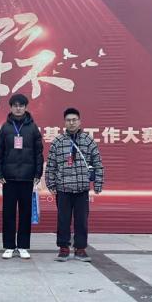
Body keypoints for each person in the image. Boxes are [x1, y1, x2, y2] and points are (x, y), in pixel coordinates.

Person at [45, 108, 104, 262]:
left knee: (81, 220)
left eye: (74, 120)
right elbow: (51, 165)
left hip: (82, 188)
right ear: (64, 122)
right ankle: (63, 249)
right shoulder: (58, 141)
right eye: (68, 120)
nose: (71, 123)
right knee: (63, 220)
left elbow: (97, 163)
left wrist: (98, 183)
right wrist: (50, 184)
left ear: (79, 122)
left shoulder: (88, 140)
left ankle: (80, 249)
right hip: (63, 188)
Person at [0, 94, 44, 259]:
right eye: (15, 105)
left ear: (25, 107)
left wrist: (38, 173)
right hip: (8, 178)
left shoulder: (33, 128)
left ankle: (23, 246)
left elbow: (38, 153)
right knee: (8, 213)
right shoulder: (5, 128)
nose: (18, 108)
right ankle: (9, 246)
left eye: (21, 105)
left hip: (27, 177)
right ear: (10, 107)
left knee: (25, 213)